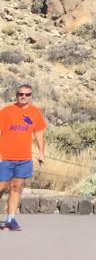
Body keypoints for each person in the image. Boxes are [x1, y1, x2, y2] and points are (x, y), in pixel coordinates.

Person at [0, 84, 47, 231]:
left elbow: (39, 132)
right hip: (5, 157)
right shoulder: (6, 111)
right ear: (16, 94)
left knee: (16, 187)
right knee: (1, 187)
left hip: (23, 158)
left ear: (31, 96)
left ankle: (10, 219)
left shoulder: (35, 112)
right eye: (21, 94)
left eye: (27, 94)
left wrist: (41, 152)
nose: (23, 97)